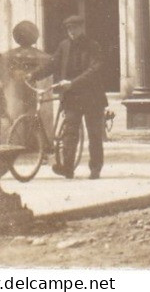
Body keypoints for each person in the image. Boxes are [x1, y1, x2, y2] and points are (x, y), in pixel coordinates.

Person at [27, 13, 107, 179]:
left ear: (82, 28)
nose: (72, 32)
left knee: (94, 135)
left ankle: (95, 169)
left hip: (92, 97)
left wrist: (73, 83)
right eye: (69, 29)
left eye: (75, 28)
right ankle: (67, 167)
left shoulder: (93, 46)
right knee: (69, 133)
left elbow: (95, 69)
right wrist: (33, 75)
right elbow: (52, 64)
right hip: (72, 97)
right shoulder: (64, 46)